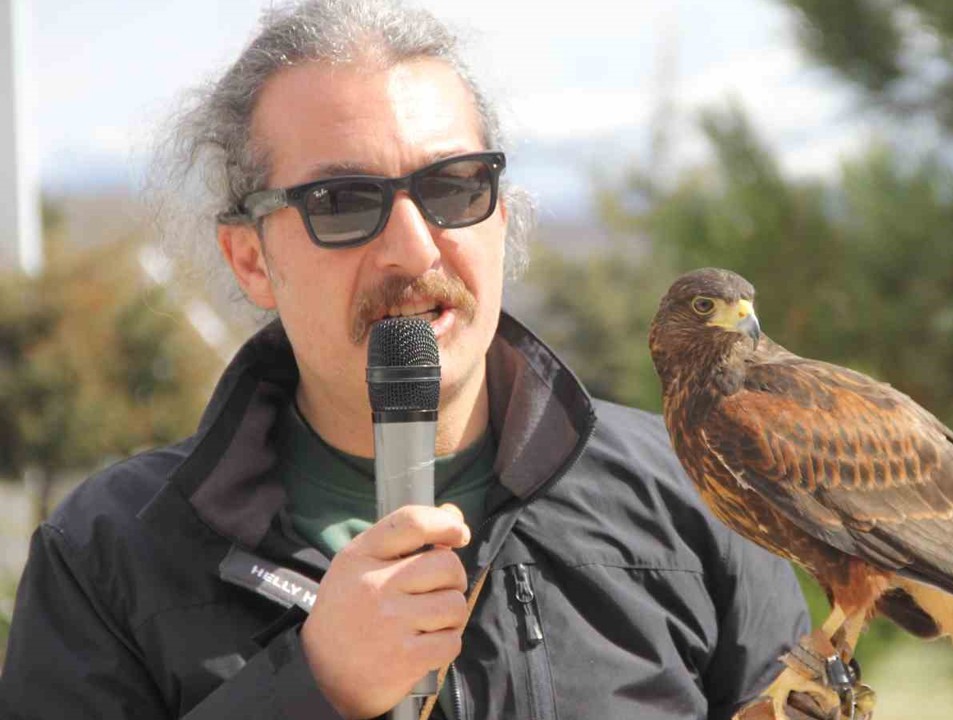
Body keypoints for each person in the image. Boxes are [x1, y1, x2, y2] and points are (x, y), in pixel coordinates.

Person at [0, 2, 809, 719]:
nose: (413, 246)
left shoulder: (702, 499)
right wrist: (314, 686)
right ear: (250, 259)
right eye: (343, 203)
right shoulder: (105, 557)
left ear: (502, 217)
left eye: (455, 187)